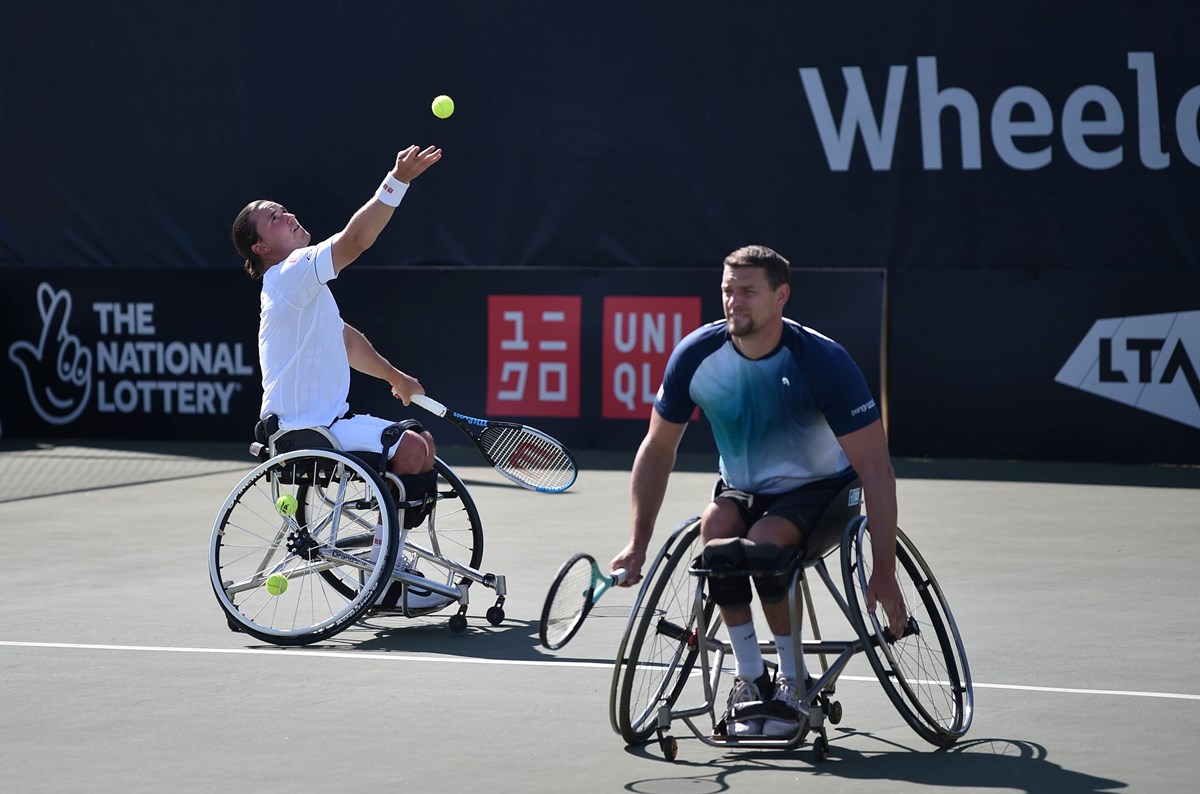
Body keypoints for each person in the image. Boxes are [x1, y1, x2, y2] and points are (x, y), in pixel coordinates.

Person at [610, 244, 907, 738]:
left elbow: (876, 469)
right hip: (743, 489)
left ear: (781, 295)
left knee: (764, 546)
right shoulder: (696, 356)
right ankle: (750, 677)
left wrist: (884, 570)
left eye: (748, 291)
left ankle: (794, 680)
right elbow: (658, 449)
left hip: (824, 492)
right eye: (728, 291)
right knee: (717, 536)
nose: (734, 302)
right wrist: (637, 544)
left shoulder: (822, 361)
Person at [231, 144, 444, 606]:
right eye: (273, 218)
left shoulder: (303, 288)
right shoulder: (288, 272)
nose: (286, 215)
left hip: (329, 424)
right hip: (303, 432)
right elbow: (354, 241)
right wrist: (398, 181)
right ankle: (386, 573)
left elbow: (345, 341)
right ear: (261, 247)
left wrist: (396, 377)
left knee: (422, 444)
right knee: (409, 450)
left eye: (284, 209)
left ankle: (387, 558)